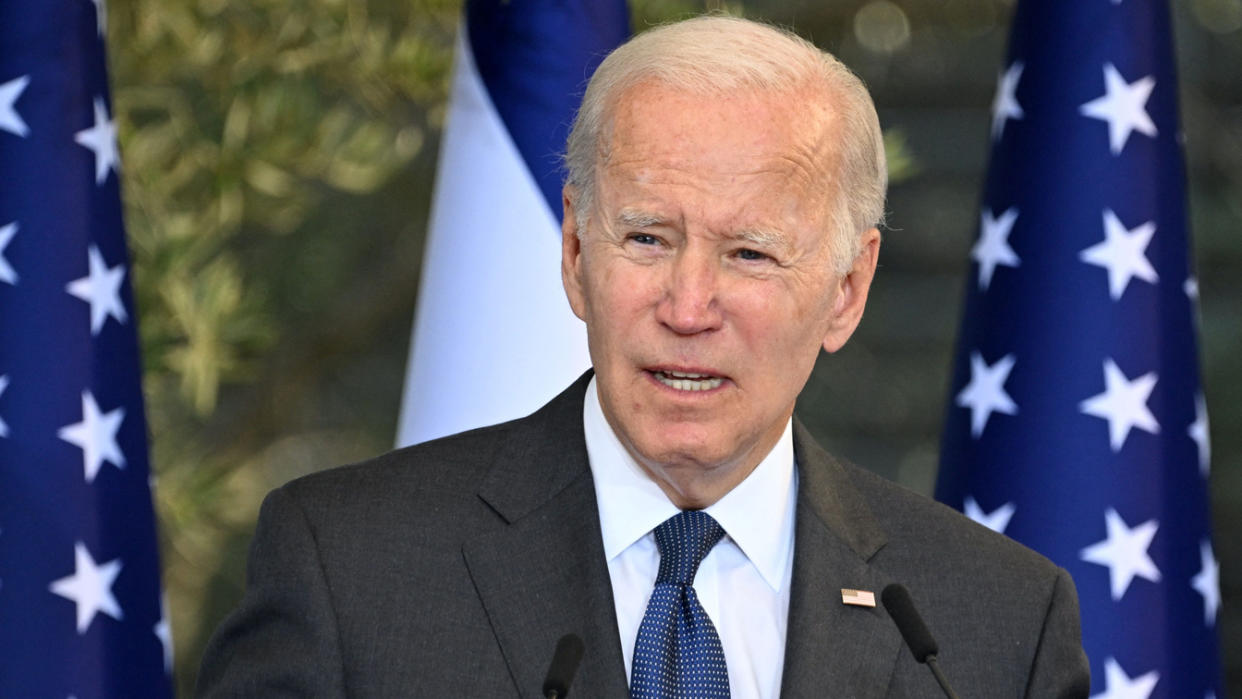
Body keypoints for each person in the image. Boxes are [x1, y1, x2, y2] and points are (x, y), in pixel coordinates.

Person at [198, 15, 1090, 698]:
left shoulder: (991, 625)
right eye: (648, 237)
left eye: (749, 252)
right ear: (577, 255)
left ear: (847, 291)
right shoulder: (350, 571)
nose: (688, 305)